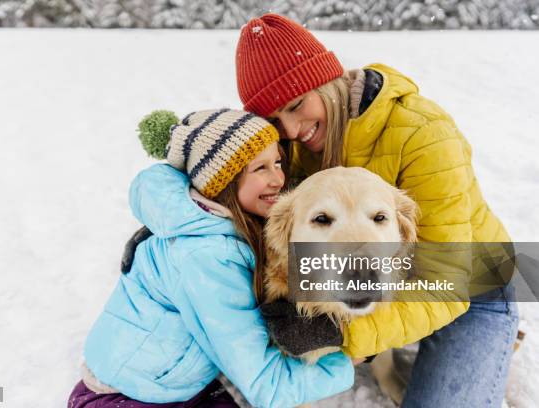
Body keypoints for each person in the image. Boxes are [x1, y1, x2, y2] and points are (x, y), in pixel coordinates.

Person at [235, 13, 518, 407]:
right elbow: (236, 179)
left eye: (298, 105)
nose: (293, 130)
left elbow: (447, 279)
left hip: (469, 281)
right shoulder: (291, 144)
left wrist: (341, 336)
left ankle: (488, 336)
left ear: (326, 80)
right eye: (275, 119)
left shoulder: (423, 132)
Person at [68, 109, 354, 408]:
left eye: (278, 163)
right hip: (124, 396)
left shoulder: (235, 221)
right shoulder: (209, 258)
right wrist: (348, 359)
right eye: (261, 169)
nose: (279, 179)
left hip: (177, 384)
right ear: (225, 182)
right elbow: (268, 387)